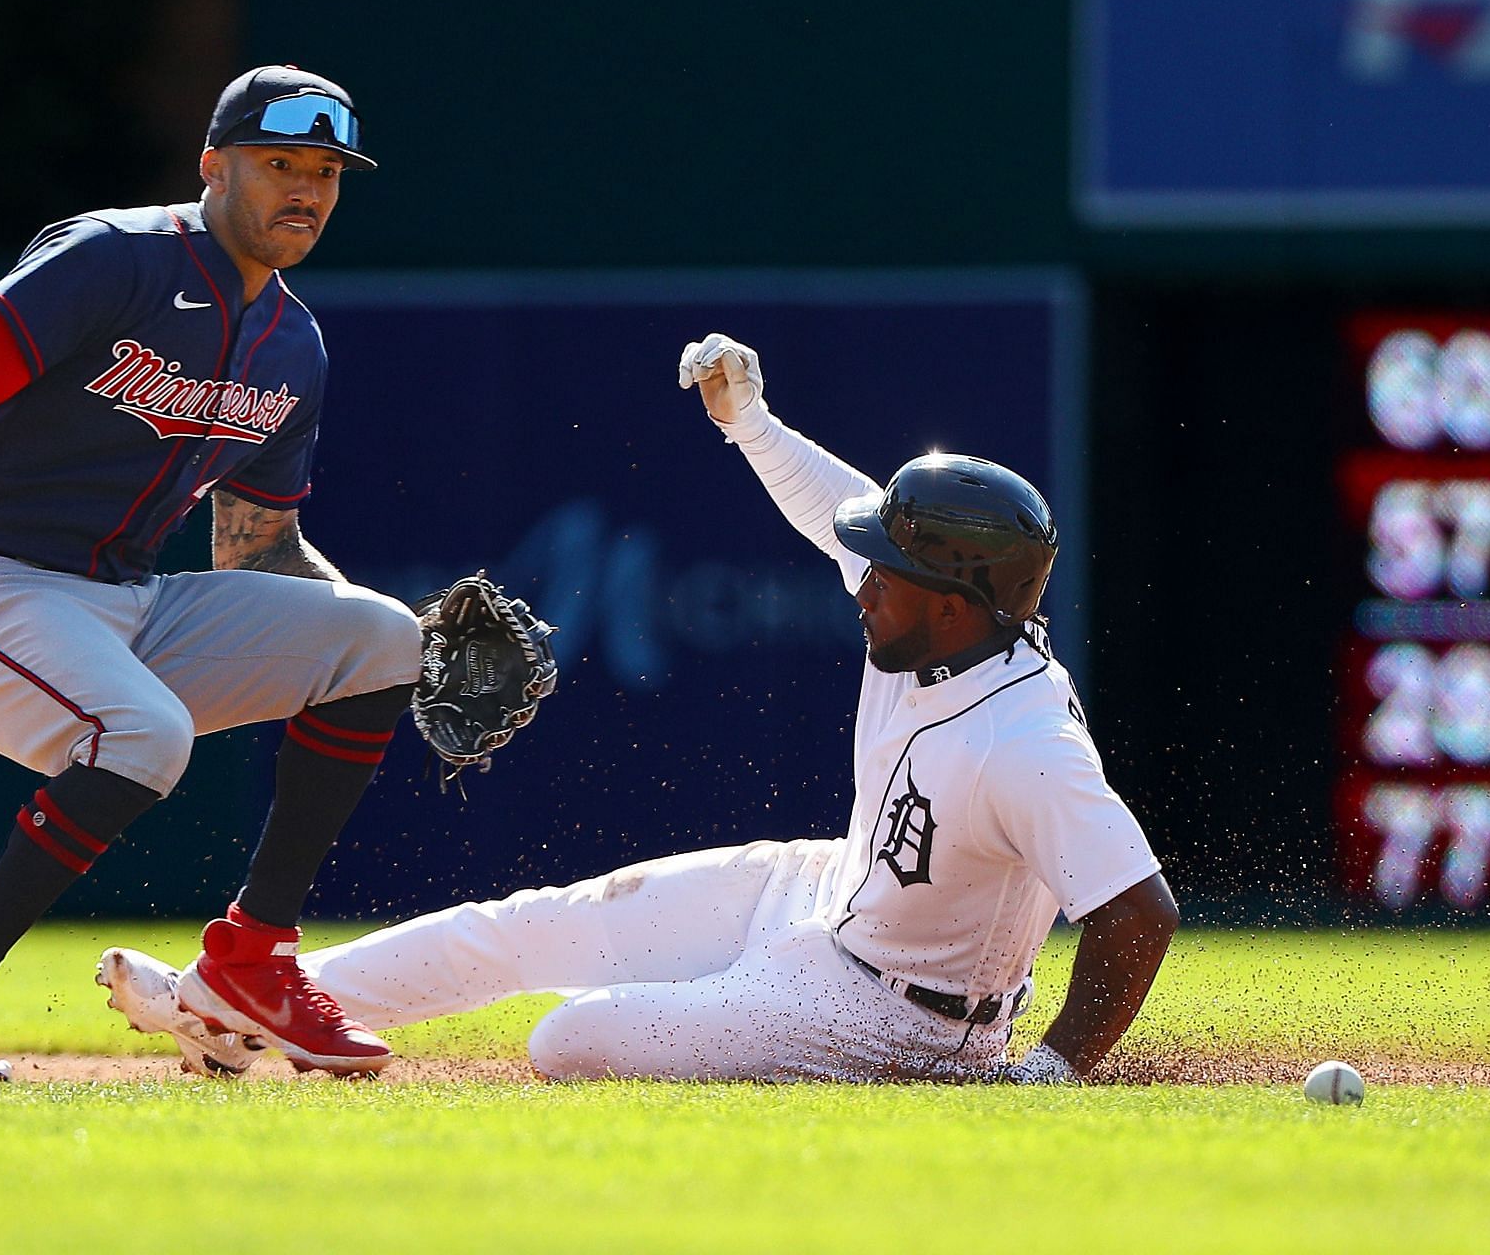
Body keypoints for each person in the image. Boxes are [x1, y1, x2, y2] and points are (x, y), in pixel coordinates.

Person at [102, 332, 1180, 1083]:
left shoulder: (1025, 738)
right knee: (526, 924)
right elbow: (830, 504)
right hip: (822, 890)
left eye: (886, 568)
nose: (861, 577)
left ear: (952, 598)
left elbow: (1141, 911)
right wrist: (747, 418)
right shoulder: (946, 620)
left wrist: (1048, 1073)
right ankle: (237, 1000)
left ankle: (252, 1010)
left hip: (894, 1015)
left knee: (571, 1038)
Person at [0, 65, 421, 1080]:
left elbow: (258, 547)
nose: (305, 189)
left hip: (129, 600)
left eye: (326, 170)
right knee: (145, 731)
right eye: (279, 163)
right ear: (213, 166)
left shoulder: (295, 344)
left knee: (383, 634)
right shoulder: (115, 257)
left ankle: (252, 960)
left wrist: (412, 651)